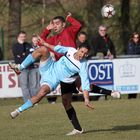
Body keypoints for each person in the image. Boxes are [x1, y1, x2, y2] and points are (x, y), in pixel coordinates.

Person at [11, 31, 40, 102]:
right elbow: (18, 58)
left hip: (32, 67)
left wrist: (23, 55)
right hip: (22, 69)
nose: (23, 38)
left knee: (34, 85)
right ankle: (28, 102)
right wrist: (25, 56)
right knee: (24, 86)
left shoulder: (28, 45)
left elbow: (32, 55)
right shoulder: (15, 46)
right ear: (18, 37)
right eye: (21, 36)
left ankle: (34, 101)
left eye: (24, 36)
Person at [127, 32, 140, 99]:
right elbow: (131, 53)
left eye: (137, 37)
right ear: (132, 38)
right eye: (135, 37)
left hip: (138, 66)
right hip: (132, 66)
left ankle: (134, 96)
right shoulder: (130, 44)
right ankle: (130, 96)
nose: (136, 39)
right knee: (131, 81)